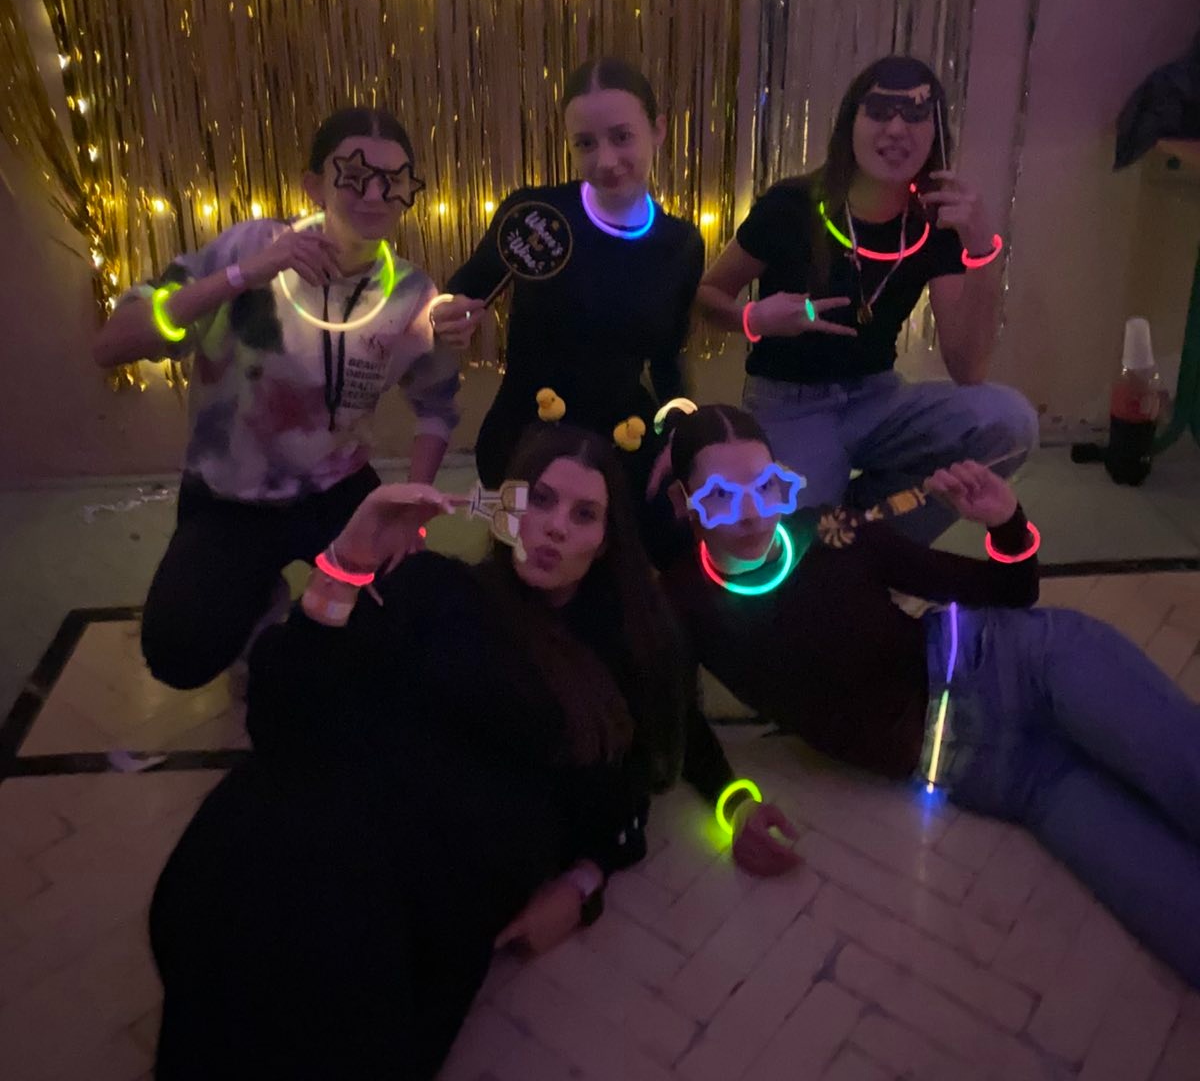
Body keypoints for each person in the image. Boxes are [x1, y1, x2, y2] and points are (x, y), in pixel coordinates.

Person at [149, 422, 795, 1081]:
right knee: (242, 882)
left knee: (323, 985)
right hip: (323, 804)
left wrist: (605, 872)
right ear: (506, 508)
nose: (554, 527)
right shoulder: (435, 587)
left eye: (583, 515)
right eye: (540, 500)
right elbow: (284, 717)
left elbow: (660, 751)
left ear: (606, 541)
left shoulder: (625, 648)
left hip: (432, 868)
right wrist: (343, 562)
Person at [651, 402, 1200, 987]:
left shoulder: (834, 533)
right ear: (685, 501)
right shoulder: (681, 604)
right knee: (1176, 913)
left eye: (765, 487)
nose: (751, 513)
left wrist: (1006, 523)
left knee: (1186, 772)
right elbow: (680, 721)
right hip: (1003, 774)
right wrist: (734, 802)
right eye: (721, 496)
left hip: (1021, 661)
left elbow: (1010, 590)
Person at [93, 106, 459, 690]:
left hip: (335, 490)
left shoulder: (411, 293)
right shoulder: (252, 245)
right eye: (353, 175)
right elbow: (113, 345)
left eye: (393, 180)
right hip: (229, 496)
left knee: (404, 624)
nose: (374, 194)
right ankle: (260, 598)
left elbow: (436, 407)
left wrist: (409, 512)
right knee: (179, 651)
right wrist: (246, 273)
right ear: (313, 184)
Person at [696, 54, 1038, 543]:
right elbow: (708, 296)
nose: (896, 129)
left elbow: (969, 369)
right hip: (790, 402)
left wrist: (982, 249)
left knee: (1009, 422)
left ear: (936, 132)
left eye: (915, 114)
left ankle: (873, 538)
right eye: (879, 111)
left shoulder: (934, 222)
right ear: (849, 123)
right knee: (794, 544)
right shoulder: (792, 205)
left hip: (878, 397)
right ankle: (839, 534)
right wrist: (755, 318)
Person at [434, 57, 705, 490]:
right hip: (524, 437)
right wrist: (445, 313)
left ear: (658, 130)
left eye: (622, 137)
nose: (606, 160)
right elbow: (464, 291)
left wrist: (683, 436)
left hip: (621, 444)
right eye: (585, 144)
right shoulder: (536, 214)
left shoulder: (681, 243)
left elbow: (667, 361)